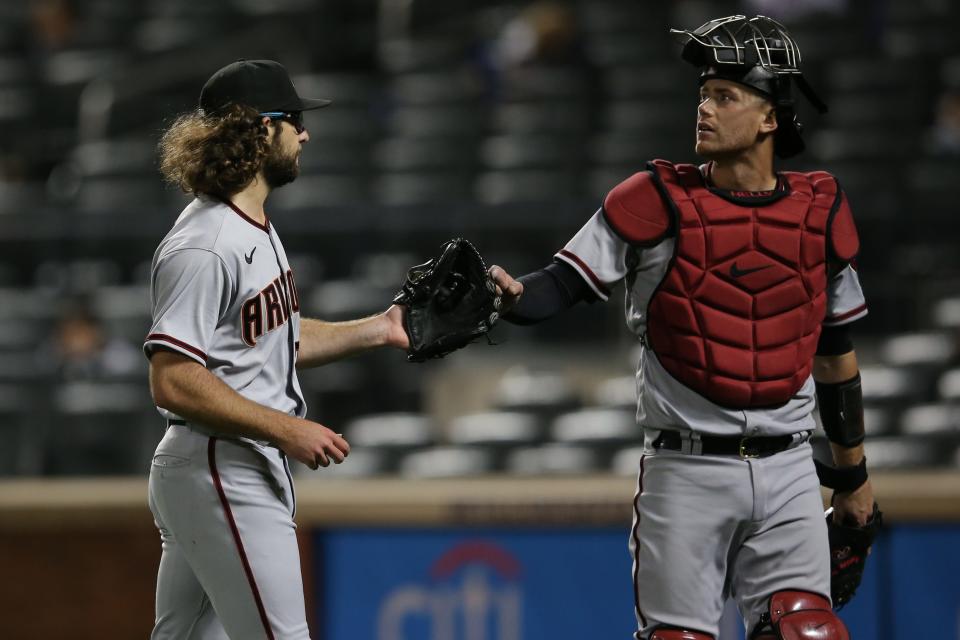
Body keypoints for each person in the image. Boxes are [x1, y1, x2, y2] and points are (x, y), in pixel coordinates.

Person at [489, 15, 877, 640]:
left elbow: (835, 352)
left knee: (809, 632)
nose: (705, 107)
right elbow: (560, 284)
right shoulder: (655, 199)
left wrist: (853, 476)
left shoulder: (820, 210)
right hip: (686, 470)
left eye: (725, 96)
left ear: (771, 116)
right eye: (703, 93)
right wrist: (503, 297)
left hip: (790, 470)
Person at [143, 59, 445, 639]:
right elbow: (173, 378)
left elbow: (273, 339)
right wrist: (287, 429)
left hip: (221, 462)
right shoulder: (205, 242)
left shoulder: (248, 223)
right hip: (222, 463)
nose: (304, 133)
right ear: (258, 128)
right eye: (294, 120)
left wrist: (379, 328)